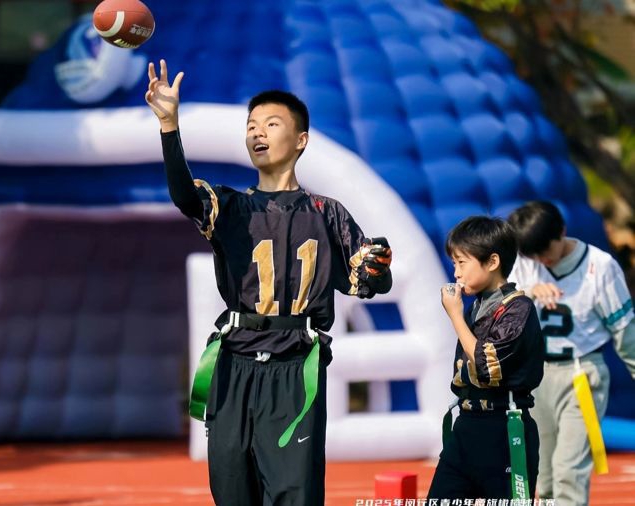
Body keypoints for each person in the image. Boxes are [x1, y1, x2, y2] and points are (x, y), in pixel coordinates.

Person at [145, 59, 393, 505]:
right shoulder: (231, 207)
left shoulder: (327, 213)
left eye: (271, 124)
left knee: (293, 494)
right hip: (234, 364)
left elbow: (370, 281)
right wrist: (168, 125)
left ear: (301, 140)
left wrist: (377, 265)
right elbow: (185, 195)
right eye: (251, 126)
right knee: (232, 491)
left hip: (295, 369)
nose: (257, 132)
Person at [508, 201, 635, 506]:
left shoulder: (599, 266)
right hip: (534, 377)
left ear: (562, 231)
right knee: (543, 475)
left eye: (545, 251)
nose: (541, 260)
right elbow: (495, 307)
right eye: (533, 254)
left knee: (569, 471)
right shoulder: (522, 262)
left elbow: (624, 330)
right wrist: (526, 293)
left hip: (582, 376)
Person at [429, 216, 544, 501]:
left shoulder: (518, 308)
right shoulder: (477, 307)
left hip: (504, 429)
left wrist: (455, 316)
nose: (456, 273)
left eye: (461, 263)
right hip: (467, 425)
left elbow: (486, 364)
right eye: (454, 264)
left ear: (492, 262)